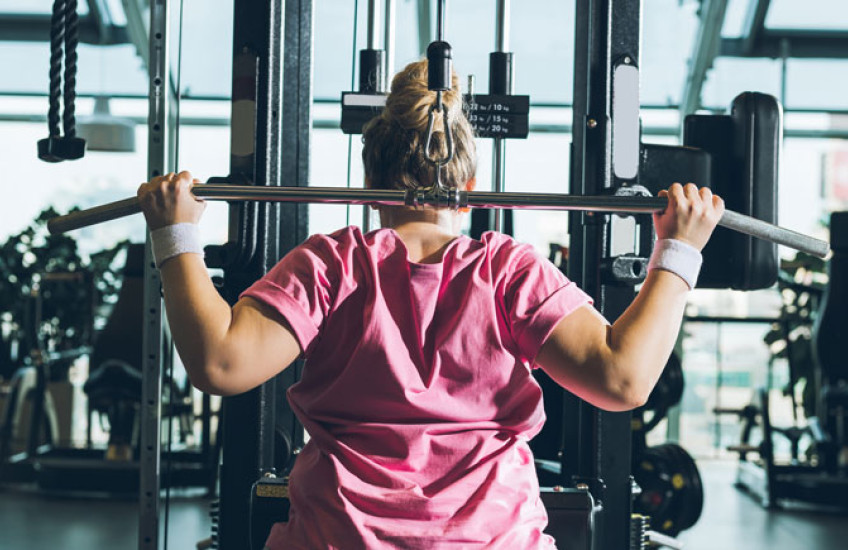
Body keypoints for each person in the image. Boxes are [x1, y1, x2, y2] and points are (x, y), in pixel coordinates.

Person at [137, 60, 724, 549]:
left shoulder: (333, 263)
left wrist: (176, 235)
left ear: (370, 190)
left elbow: (218, 363)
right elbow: (622, 381)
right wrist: (678, 251)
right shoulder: (508, 270)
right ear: (468, 193)